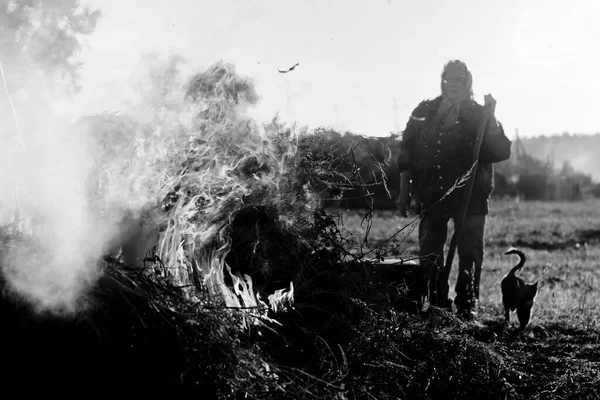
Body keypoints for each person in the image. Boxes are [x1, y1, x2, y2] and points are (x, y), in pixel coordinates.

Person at [396, 60, 512, 318]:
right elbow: (407, 151)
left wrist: (491, 117)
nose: (453, 84)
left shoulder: (481, 115)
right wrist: (405, 192)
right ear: (442, 81)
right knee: (430, 252)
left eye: (459, 79)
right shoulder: (425, 110)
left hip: (471, 194)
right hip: (432, 191)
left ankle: (467, 305)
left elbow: (501, 151)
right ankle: (436, 303)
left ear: (468, 82)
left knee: (470, 252)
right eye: (448, 79)